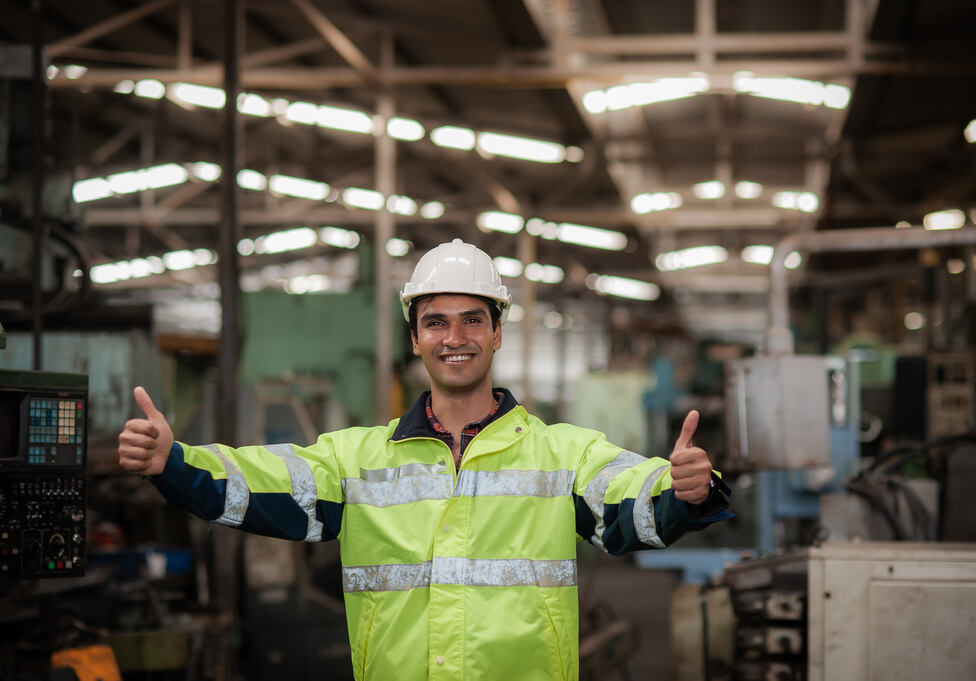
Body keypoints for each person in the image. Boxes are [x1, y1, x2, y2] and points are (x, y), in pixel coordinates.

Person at [118, 238, 732, 681]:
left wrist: (683, 491)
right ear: (414, 338)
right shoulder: (355, 459)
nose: (454, 338)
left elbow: (631, 500)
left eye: (472, 320)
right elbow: (260, 483)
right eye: (435, 322)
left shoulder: (562, 452)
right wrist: (175, 462)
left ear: (497, 332)